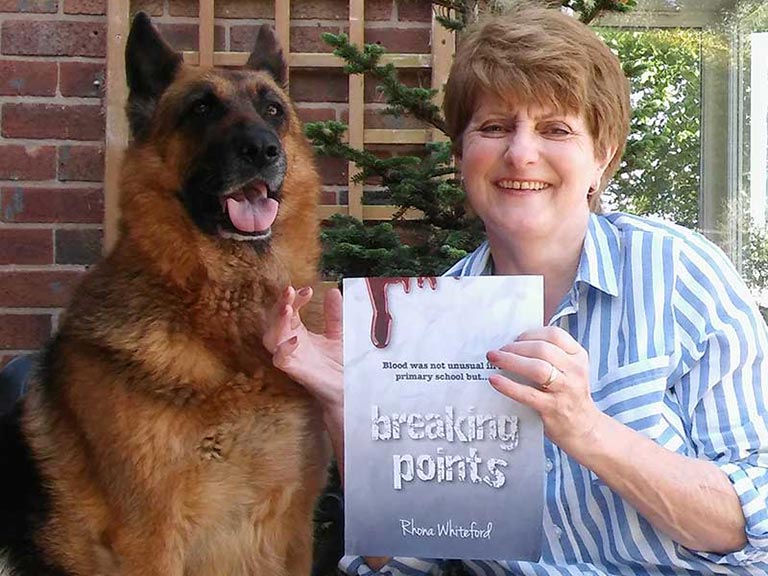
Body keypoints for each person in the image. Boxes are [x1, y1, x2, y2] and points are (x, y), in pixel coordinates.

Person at [263, 3, 768, 574]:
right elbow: (401, 559)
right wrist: (349, 408)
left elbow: (750, 524)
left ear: (601, 157)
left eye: (556, 129)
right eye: (495, 127)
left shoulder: (678, 273)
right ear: (462, 155)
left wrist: (586, 428)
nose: (521, 153)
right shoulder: (430, 319)